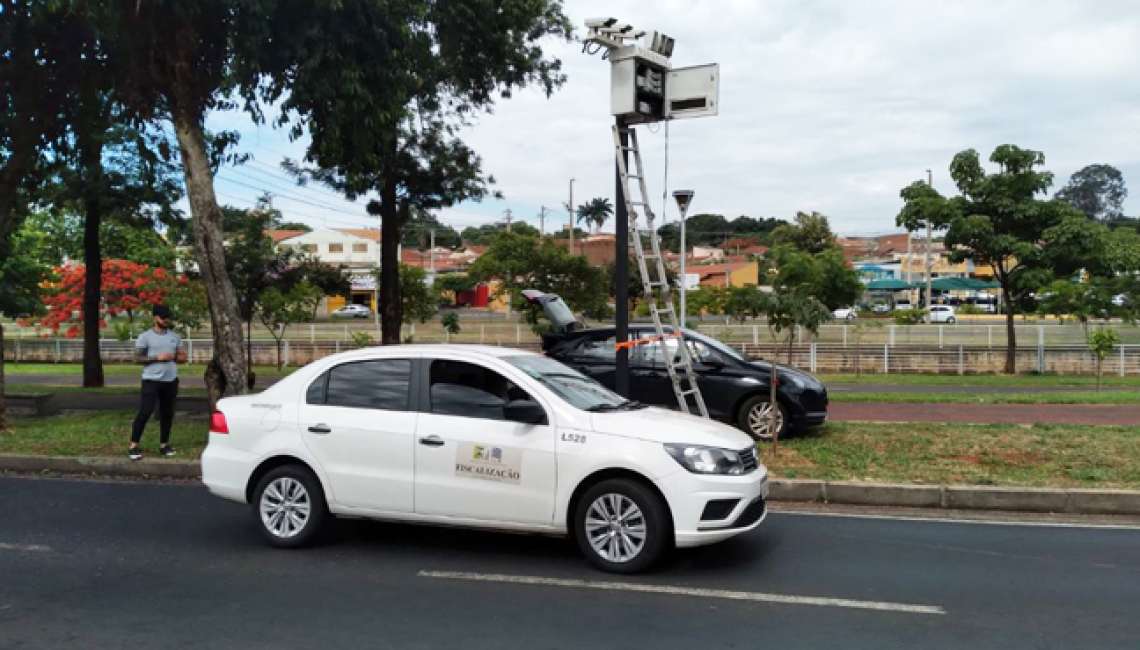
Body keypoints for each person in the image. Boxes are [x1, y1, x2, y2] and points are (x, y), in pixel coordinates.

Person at [129, 305, 186, 460]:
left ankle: (164, 445)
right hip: (151, 381)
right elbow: (137, 358)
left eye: (168, 318)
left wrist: (173, 357)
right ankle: (134, 445)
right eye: (163, 317)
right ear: (155, 318)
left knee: (167, 414)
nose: (166, 320)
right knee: (145, 412)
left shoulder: (175, 337)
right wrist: (157, 358)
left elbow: (183, 358)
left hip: (170, 381)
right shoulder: (145, 337)